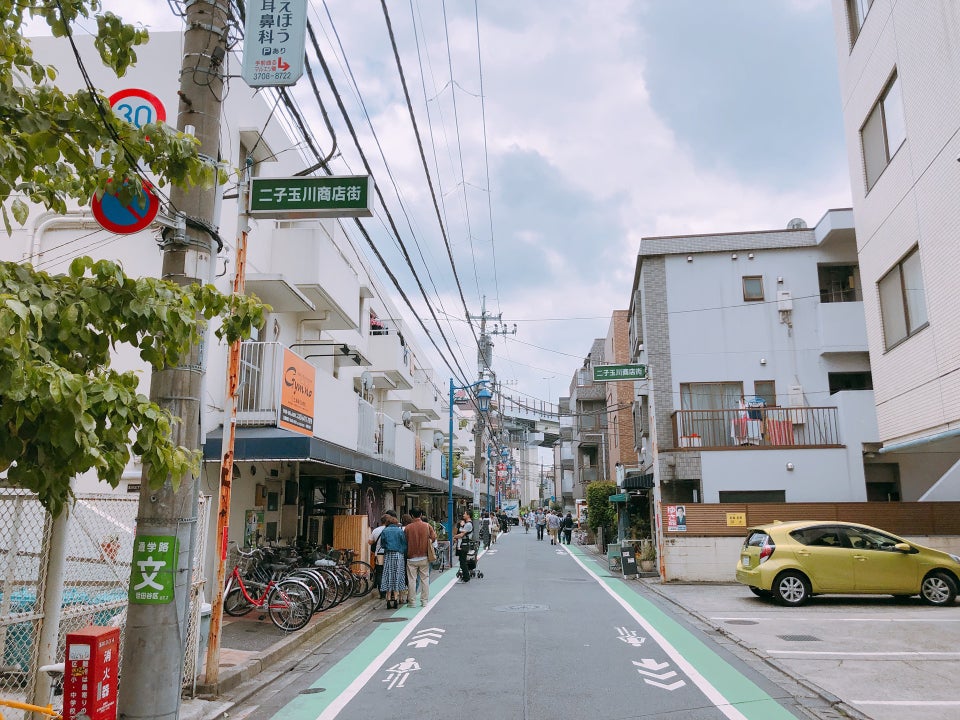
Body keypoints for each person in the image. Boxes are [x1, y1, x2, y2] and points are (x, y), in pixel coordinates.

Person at [403, 507, 436, 607]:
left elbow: (404, 540)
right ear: (421, 515)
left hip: (411, 557)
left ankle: (412, 602)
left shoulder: (408, 527)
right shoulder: (427, 526)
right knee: (424, 579)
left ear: (412, 515)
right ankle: (424, 601)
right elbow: (434, 537)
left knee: (412, 580)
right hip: (424, 556)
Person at [379, 514, 407, 609]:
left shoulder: (385, 531)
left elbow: (382, 544)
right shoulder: (400, 531)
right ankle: (395, 596)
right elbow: (404, 544)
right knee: (397, 574)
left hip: (388, 555)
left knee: (388, 574)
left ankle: (388, 596)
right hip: (399, 555)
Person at [368, 514, 388, 600]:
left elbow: (370, 542)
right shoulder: (389, 529)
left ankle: (382, 592)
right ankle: (389, 591)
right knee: (388, 572)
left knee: (379, 572)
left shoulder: (376, 530)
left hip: (379, 554)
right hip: (388, 553)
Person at [453, 510, 474, 583]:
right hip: (463, 544)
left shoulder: (468, 524)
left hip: (464, 545)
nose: (463, 515)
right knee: (462, 561)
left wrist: (454, 537)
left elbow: (462, 535)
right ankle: (466, 577)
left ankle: (466, 578)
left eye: (465, 514)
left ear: (468, 515)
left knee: (463, 562)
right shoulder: (467, 524)